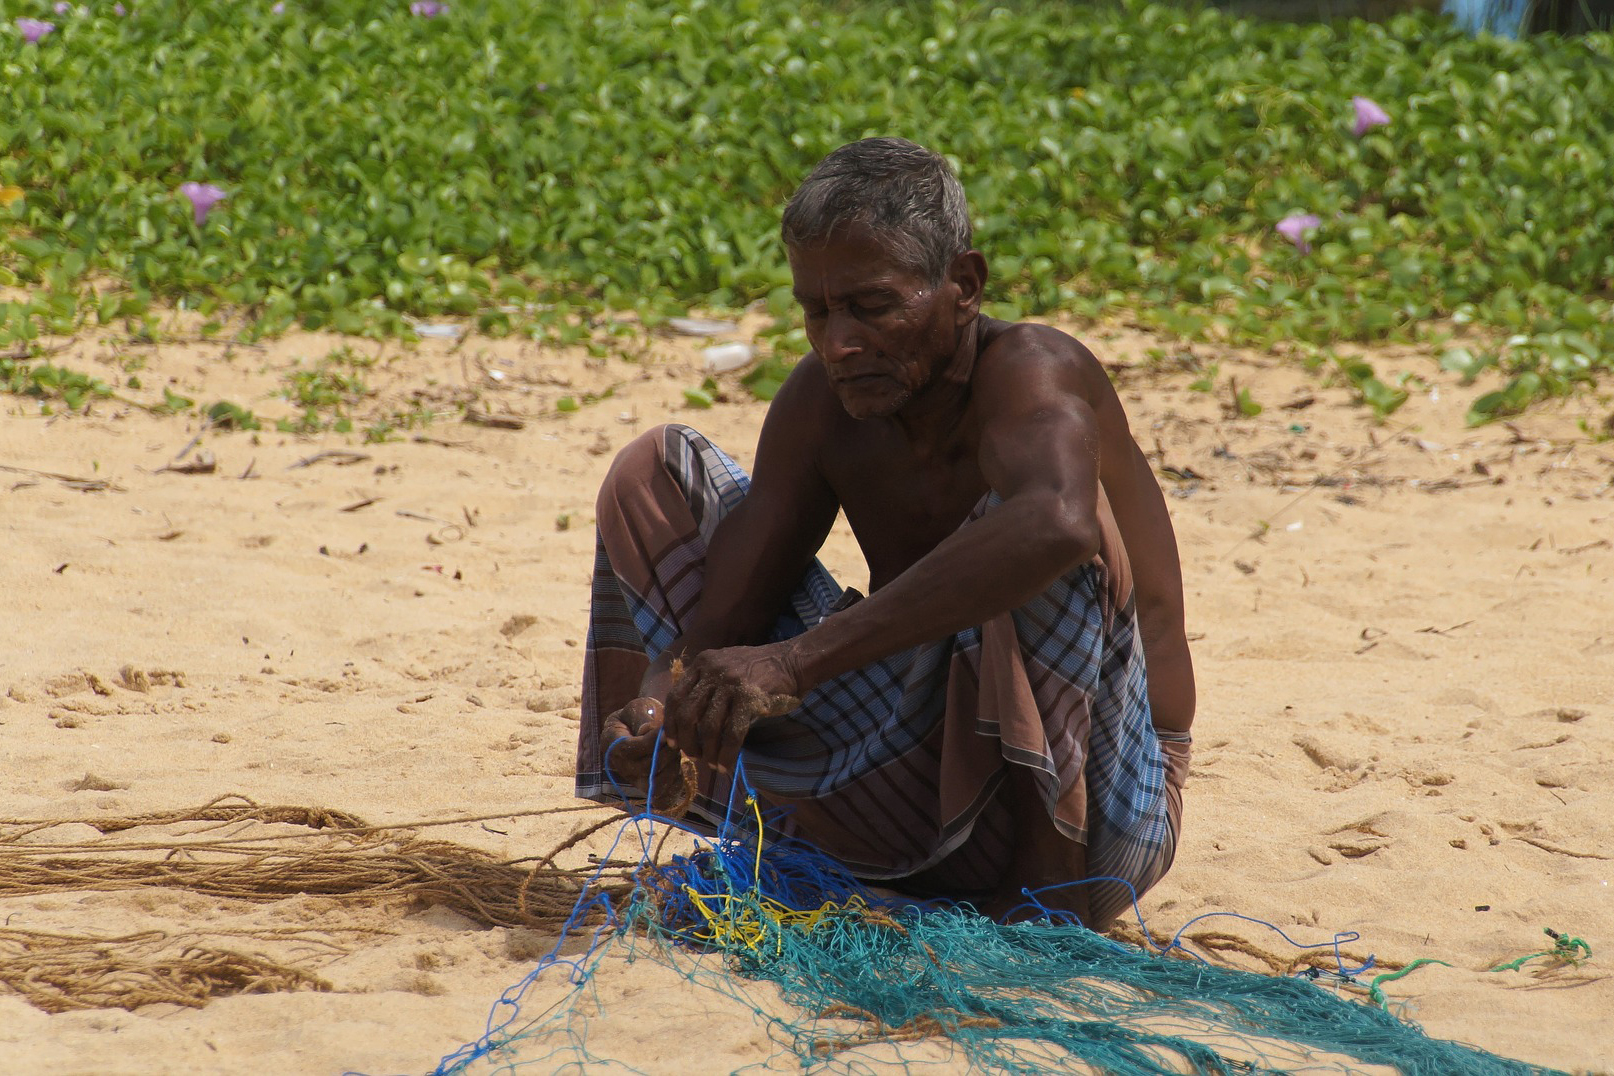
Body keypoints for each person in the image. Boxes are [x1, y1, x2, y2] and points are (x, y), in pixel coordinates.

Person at [575, 137, 1195, 929]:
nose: (839, 343)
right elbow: (720, 625)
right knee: (654, 472)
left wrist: (796, 659)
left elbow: (1060, 523)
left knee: (1043, 524)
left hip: (1108, 810)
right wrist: (660, 706)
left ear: (963, 285)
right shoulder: (820, 406)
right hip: (912, 791)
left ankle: (1045, 907)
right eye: (817, 311)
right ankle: (790, 832)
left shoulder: (1034, 372)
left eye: (872, 306)